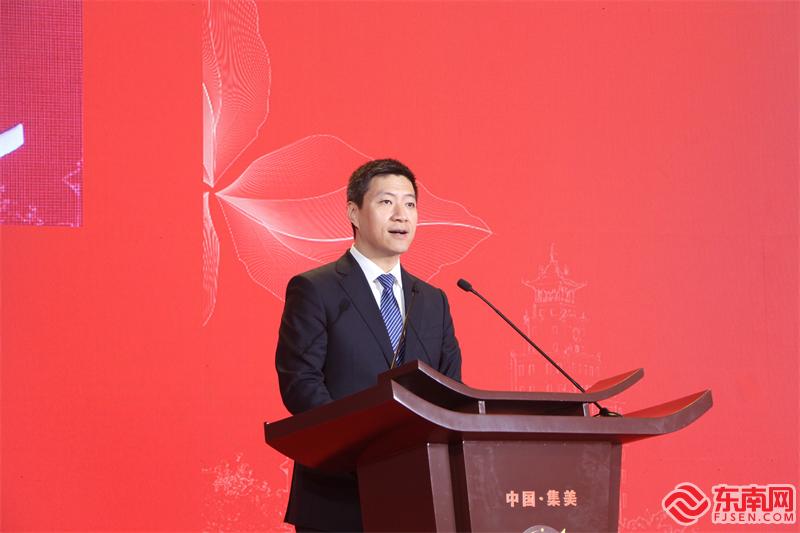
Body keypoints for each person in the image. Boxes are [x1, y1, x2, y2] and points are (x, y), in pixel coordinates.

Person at [275, 158, 462, 532]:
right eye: (386, 202)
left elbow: (450, 389)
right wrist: (361, 451)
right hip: (338, 496)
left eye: (410, 204)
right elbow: (301, 385)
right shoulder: (315, 289)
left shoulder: (433, 300)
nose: (401, 215)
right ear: (353, 212)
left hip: (419, 496)